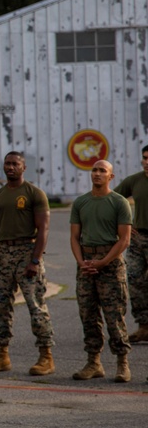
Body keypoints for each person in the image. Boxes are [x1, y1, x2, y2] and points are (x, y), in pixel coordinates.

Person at [0, 152, 55, 376]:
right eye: (7, 164)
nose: (10, 167)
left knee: (36, 306)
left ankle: (46, 356)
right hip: (3, 253)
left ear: (23, 168)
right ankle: (2, 355)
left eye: (15, 164)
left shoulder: (34, 193)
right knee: (1, 307)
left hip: (27, 251)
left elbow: (43, 229)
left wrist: (35, 260)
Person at [69, 160, 133, 383]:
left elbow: (124, 240)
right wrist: (81, 262)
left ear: (111, 177)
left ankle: (122, 363)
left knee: (114, 315)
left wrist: (104, 262)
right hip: (87, 263)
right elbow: (75, 238)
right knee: (88, 314)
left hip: (111, 263)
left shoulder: (119, 202)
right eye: (94, 170)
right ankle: (93, 362)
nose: (97, 174)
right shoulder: (81, 202)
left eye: (102, 171)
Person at [114, 144, 148, 344]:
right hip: (138, 238)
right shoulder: (135, 181)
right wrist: (124, 225)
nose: (147, 162)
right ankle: (144, 326)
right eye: (144, 158)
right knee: (135, 280)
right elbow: (113, 200)